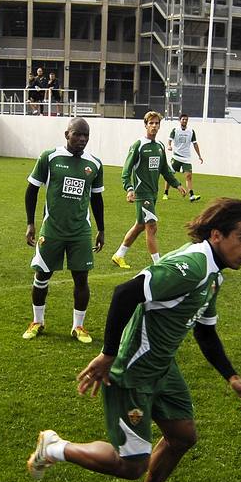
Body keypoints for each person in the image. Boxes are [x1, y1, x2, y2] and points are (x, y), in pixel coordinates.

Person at [27, 198, 241, 482]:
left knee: (182, 436)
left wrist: (231, 376)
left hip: (163, 367)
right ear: (217, 235)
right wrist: (108, 355)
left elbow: (206, 331)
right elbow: (126, 293)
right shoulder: (192, 267)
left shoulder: (213, 275)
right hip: (133, 368)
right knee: (130, 463)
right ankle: (54, 448)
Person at [23, 118, 106, 343]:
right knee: (42, 275)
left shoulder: (95, 164)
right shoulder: (49, 158)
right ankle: (37, 322)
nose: (82, 139)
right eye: (77, 134)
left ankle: (78, 327)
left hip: (80, 232)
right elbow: (31, 191)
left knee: (81, 279)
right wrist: (30, 223)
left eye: (85, 136)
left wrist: (101, 229)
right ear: (66, 134)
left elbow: (97, 199)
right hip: (52, 230)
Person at [110, 111, 186, 269]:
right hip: (141, 192)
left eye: (157, 123)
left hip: (153, 194)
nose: (154, 126)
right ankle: (158, 264)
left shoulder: (159, 147)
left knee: (139, 225)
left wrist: (177, 184)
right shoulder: (138, 145)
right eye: (151, 123)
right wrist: (129, 188)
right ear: (145, 125)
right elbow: (126, 170)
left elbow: (165, 170)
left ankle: (119, 255)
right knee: (151, 226)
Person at [164, 113, 204, 203]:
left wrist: (199, 156)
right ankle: (165, 193)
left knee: (189, 176)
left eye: (186, 119)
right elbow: (169, 140)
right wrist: (169, 146)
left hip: (186, 158)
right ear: (180, 120)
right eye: (183, 119)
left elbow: (195, 144)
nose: (185, 121)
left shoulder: (191, 131)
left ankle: (191, 195)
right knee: (170, 175)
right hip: (176, 156)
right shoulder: (175, 130)